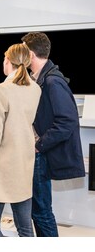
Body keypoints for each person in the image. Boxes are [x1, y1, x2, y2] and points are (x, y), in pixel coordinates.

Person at [21, 32, 85, 237]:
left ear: (30, 54)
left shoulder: (52, 82)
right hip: (41, 155)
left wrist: (39, 144)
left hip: (43, 154)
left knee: (41, 213)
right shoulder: (39, 79)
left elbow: (67, 121)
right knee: (38, 211)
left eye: (23, 50)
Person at [0, 43, 41, 237]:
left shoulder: (2, 90)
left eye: (4, 60)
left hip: (1, 166)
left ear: (8, 62)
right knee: (25, 229)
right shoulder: (35, 89)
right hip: (23, 165)